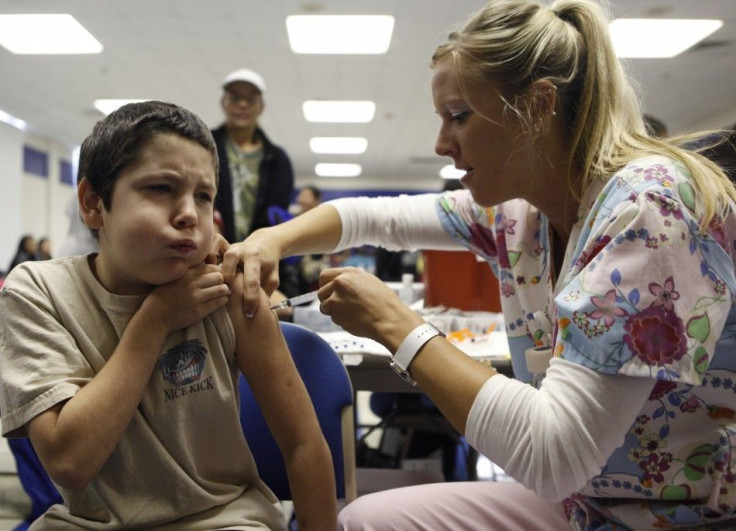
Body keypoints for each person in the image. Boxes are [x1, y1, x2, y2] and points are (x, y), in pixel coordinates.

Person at [222, 0, 736, 528]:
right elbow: (377, 219)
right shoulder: (521, 213)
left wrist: (397, 326)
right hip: (587, 504)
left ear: (539, 106)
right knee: (364, 520)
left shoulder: (649, 209)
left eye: (459, 116)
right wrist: (270, 241)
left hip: (678, 514)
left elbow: (552, 457)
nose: (442, 143)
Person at [0, 101, 336, 530]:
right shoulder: (38, 291)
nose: (189, 215)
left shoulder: (228, 288)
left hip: (222, 520)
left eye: (203, 196)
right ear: (92, 204)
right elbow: (69, 462)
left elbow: (304, 443)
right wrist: (156, 320)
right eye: (160, 188)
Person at [212, 68, 294, 243]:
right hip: (209, 249)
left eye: (251, 99)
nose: (242, 104)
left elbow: (277, 212)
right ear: (223, 103)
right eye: (235, 98)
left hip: (259, 254)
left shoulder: (277, 159)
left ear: (261, 107)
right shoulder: (205, 146)